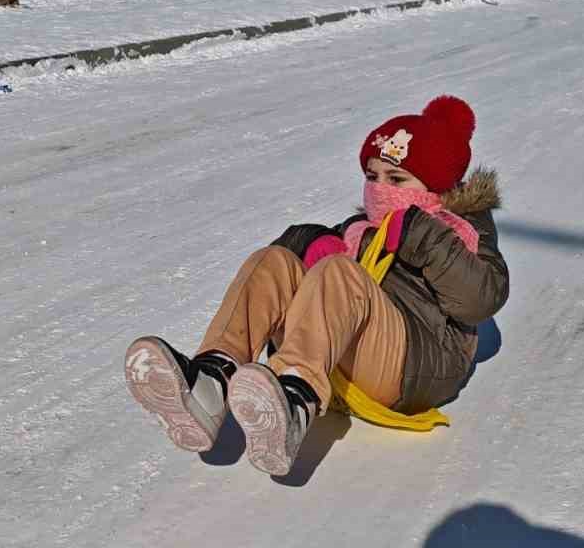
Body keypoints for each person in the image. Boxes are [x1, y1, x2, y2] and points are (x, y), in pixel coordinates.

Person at [124, 95, 508, 474]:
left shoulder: (462, 231)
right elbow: (293, 265)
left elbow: (481, 299)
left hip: (417, 368)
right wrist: (311, 243)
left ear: (435, 186)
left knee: (339, 272)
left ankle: (296, 401)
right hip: (354, 357)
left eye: (395, 179)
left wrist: (420, 235)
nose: (379, 189)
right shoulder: (362, 229)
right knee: (273, 261)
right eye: (371, 176)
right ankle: (212, 380)